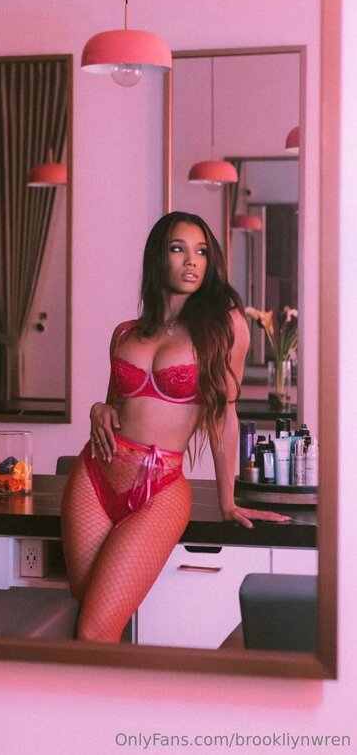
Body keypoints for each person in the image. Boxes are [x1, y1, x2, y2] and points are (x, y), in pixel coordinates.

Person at [61, 211, 291, 643]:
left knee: (93, 631)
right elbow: (115, 406)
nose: (191, 261)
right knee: (88, 611)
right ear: (158, 257)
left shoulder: (225, 328)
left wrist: (227, 501)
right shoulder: (125, 333)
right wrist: (96, 408)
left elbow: (224, 416)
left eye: (201, 252)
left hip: (160, 488)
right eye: (177, 249)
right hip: (94, 475)